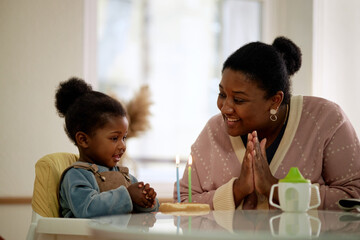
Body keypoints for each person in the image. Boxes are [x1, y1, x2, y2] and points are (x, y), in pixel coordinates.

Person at [175, 36, 360, 210]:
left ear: (275, 101)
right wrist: (237, 190)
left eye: (238, 100)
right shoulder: (213, 131)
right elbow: (182, 201)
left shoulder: (326, 120)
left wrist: (276, 188)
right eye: (222, 94)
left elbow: (354, 196)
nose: (225, 108)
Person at [56, 77, 159, 217]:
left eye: (124, 137)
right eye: (114, 138)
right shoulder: (77, 175)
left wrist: (148, 200)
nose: (123, 145)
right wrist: (128, 195)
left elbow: (148, 208)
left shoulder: (125, 175)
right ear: (83, 140)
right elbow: (87, 208)